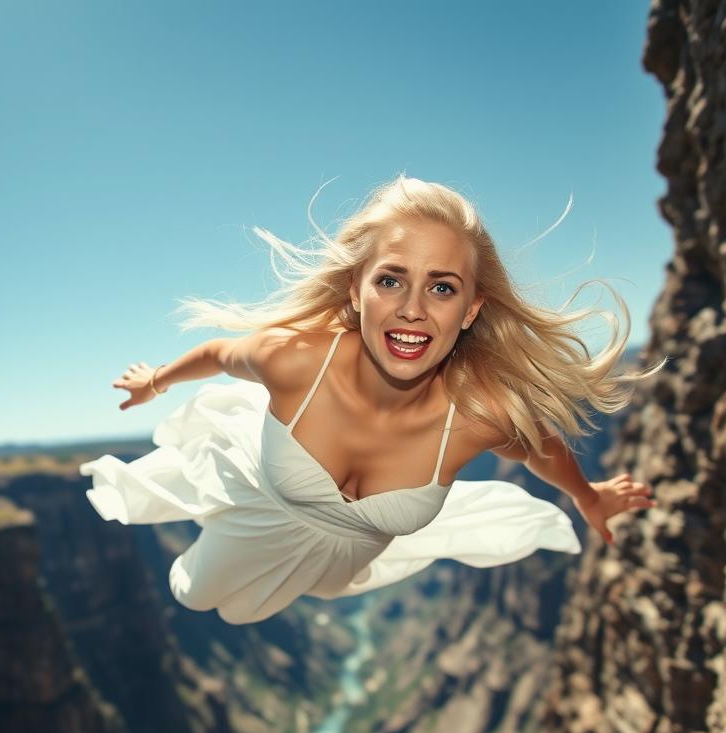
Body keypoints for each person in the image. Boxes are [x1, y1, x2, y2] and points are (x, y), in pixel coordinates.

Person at [79, 174, 665, 625]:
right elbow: (219, 353)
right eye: (390, 279)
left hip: (345, 560)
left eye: (442, 287)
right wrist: (154, 380)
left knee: (317, 588)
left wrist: (588, 498)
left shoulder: (477, 415)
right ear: (356, 292)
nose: (413, 308)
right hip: (264, 506)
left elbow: (542, 450)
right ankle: (213, 501)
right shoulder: (295, 359)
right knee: (201, 596)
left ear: (471, 311)